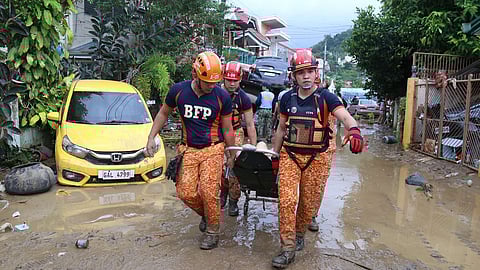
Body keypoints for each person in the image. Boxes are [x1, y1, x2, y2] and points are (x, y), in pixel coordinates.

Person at [271, 48, 364, 268]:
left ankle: (300, 231)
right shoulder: (286, 99)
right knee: (286, 201)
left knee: (308, 203)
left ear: (316, 73)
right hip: (290, 156)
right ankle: (287, 247)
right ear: (293, 75)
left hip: (317, 158)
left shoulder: (327, 97)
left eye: (310, 71)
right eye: (301, 72)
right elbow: (281, 129)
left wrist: (355, 130)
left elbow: (344, 116)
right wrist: (274, 155)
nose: (305, 76)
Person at [145, 51, 236, 250]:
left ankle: (212, 231)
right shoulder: (178, 91)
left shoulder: (222, 97)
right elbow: (163, 113)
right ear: (196, 75)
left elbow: (227, 128)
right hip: (188, 150)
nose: (212, 86)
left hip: (213, 149)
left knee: (209, 190)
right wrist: (151, 137)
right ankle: (207, 213)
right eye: (208, 82)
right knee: (185, 192)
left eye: (215, 82)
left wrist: (231, 154)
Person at [220, 61, 257, 216]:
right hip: (217, 132)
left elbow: (249, 124)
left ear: (240, 79)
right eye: (229, 80)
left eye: (235, 80)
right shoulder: (214, 93)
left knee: (234, 166)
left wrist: (253, 148)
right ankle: (222, 192)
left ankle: (234, 200)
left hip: (236, 132)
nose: (232, 83)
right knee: (218, 166)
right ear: (223, 78)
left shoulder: (243, 98)